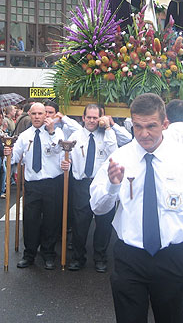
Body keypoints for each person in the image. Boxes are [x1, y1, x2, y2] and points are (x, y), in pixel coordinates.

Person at [90, 93, 183, 322]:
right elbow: (97, 207)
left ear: (165, 123)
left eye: (151, 126)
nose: (144, 134)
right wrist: (111, 186)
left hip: (171, 257)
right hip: (130, 258)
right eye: (137, 126)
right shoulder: (120, 157)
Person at [8, 102, 64, 269]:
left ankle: (48, 254)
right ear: (29, 115)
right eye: (34, 114)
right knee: (30, 220)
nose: (37, 117)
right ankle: (29, 254)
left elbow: (58, 150)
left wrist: (52, 132)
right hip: (32, 183)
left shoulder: (57, 132)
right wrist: (8, 154)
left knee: (51, 220)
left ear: (46, 115)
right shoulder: (25, 136)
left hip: (52, 182)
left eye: (41, 114)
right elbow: (15, 156)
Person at [64, 104, 118, 272]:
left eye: (96, 117)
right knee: (80, 223)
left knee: (103, 222)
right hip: (81, 184)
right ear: (83, 117)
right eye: (89, 117)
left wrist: (108, 128)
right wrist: (66, 162)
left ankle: (100, 258)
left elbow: (114, 152)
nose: (92, 121)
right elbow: (67, 156)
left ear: (101, 118)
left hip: (102, 184)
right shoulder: (75, 135)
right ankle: (78, 258)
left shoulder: (108, 135)